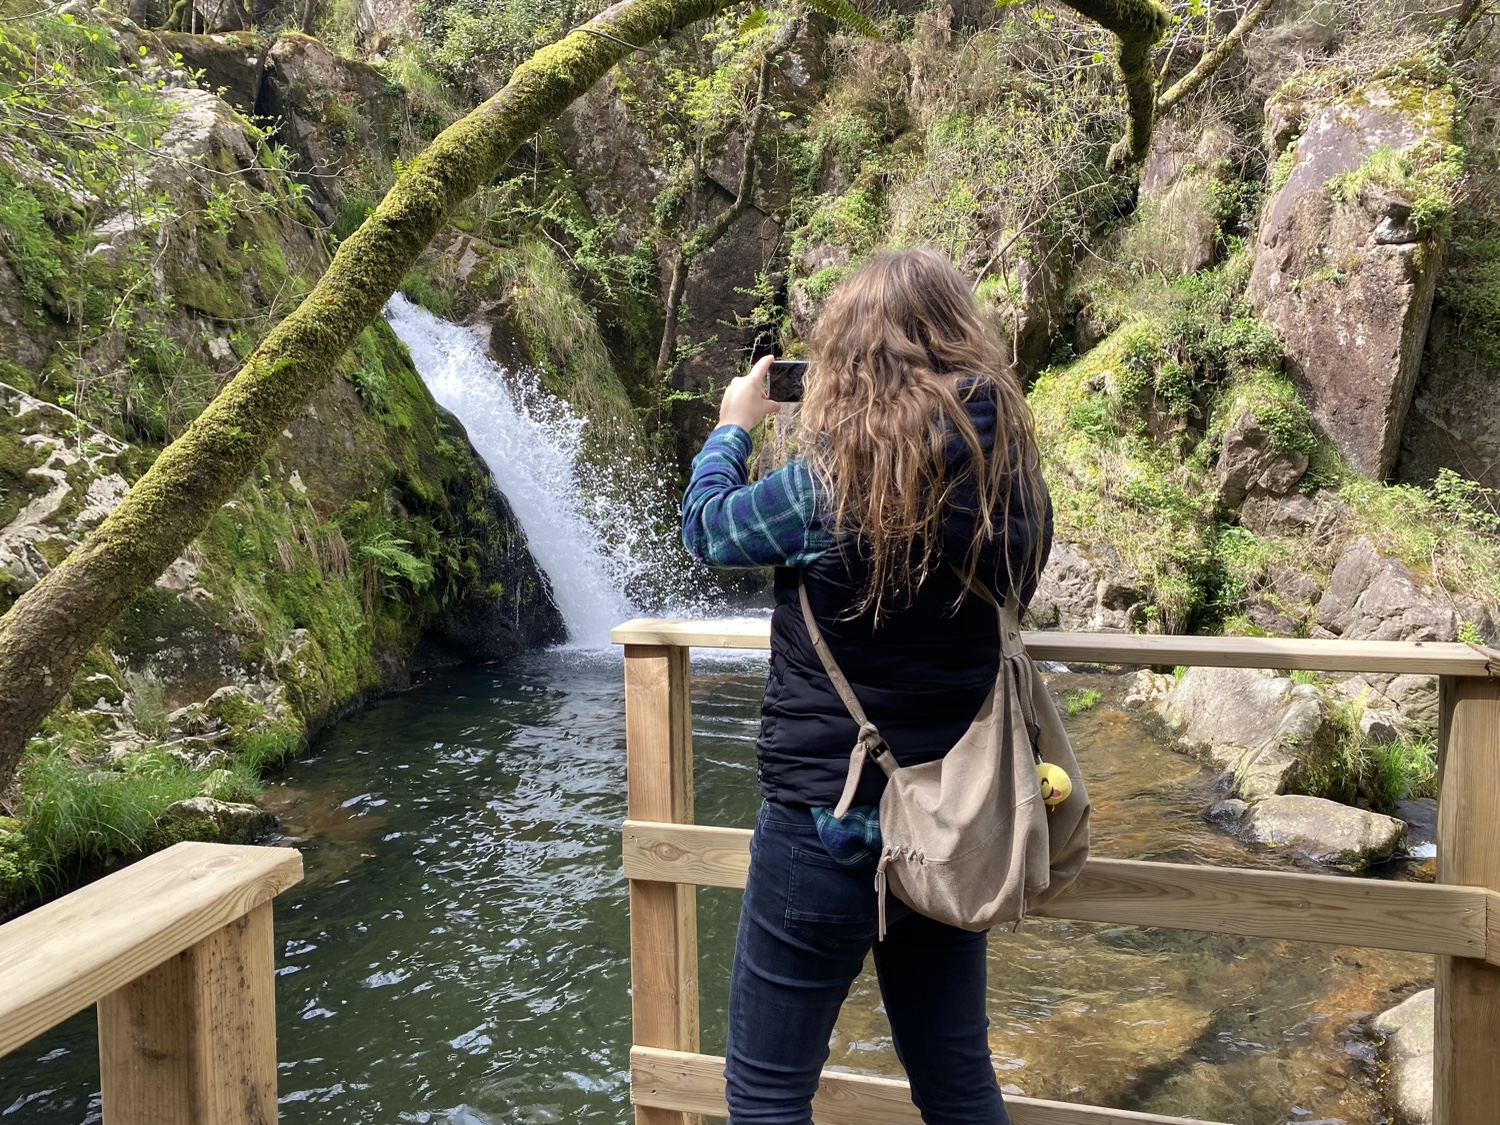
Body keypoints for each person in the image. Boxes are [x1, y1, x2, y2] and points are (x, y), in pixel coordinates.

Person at [680, 246, 1053, 1125]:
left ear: (848, 365)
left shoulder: (829, 484)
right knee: (958, 1083)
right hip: (952, 817)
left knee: (768, 1093)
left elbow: (708, 529)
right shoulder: (1012, 483)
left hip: (826, 819)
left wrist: (735, 426)